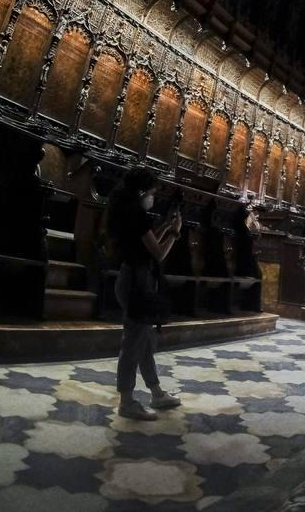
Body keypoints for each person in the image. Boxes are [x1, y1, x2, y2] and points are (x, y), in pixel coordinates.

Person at [111, 167, 183, 421]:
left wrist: (164, 227)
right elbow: (158, 253)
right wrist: (175, 232)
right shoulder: (136, 215)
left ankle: (156, 392)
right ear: (142, 191)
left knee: (143, 342)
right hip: (136, 283)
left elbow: (146, 243)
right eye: (152, 191)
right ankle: (126, 401)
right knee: (133, 344)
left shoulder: (125, 210)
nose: (152, 196)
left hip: (131, 277)